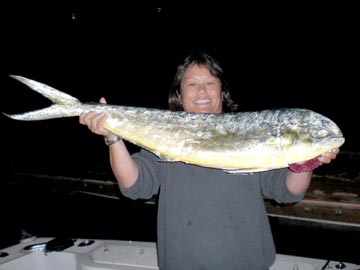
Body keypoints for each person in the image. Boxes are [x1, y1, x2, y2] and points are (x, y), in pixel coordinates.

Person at [79, 52, 339, 270]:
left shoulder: (250, 133)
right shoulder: (167, 139)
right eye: (192, 84)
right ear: (179, 95)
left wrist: (305, 163)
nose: (201, 91)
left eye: (210, 83)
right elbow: (134, 185)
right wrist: (113, 137)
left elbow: (288, 192)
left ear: (222, 91)